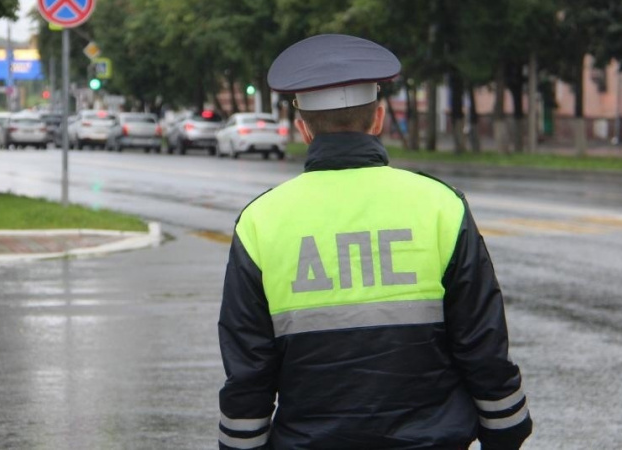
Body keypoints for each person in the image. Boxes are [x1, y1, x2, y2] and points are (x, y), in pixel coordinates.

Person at [217, 34, 532, 450]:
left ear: (303, 128)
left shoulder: (261, 220)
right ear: (378, 118)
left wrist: (242, 443)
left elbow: (249, 367)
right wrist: (505, 427)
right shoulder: (440, 205)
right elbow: (480, 340)